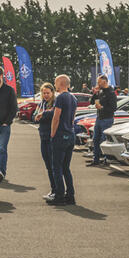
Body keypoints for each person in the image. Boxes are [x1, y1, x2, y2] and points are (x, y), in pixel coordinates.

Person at [47, 74, 77, 206]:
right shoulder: (73, 98)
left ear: (60, 83)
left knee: (57, 167)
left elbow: (56, 117)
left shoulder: (60, 98)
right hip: (70, 134)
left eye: (55, 82)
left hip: (60, 135)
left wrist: (52, 134)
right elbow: (73, 118)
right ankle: (70, 195)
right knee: (66, 167)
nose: (55, 85)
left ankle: (59, 196)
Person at [88, 74, 117, 166]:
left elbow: (113, 108)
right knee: (95, 139)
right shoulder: (100, 91)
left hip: (107, 119)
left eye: (99, 82)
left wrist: (102, 107)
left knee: (104, 140)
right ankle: (96, 159)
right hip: (99, 118)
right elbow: (91, 102)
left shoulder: (111, 92)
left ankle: (106, 159)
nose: (98, 84)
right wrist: (95, 93)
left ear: (104, 82)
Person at [34, 82, 57, 197]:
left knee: (54, 166)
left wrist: (42, 115)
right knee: (48, 165)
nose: (46, 95)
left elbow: (53, 115)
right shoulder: (41, 103)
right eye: (44, 93)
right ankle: (53, 189)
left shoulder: (55, 103)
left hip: (52, 137)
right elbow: (34, 116)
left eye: (48, 93)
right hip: (43, 137)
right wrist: (39, 116)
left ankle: (57, 190)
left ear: (52, 93)